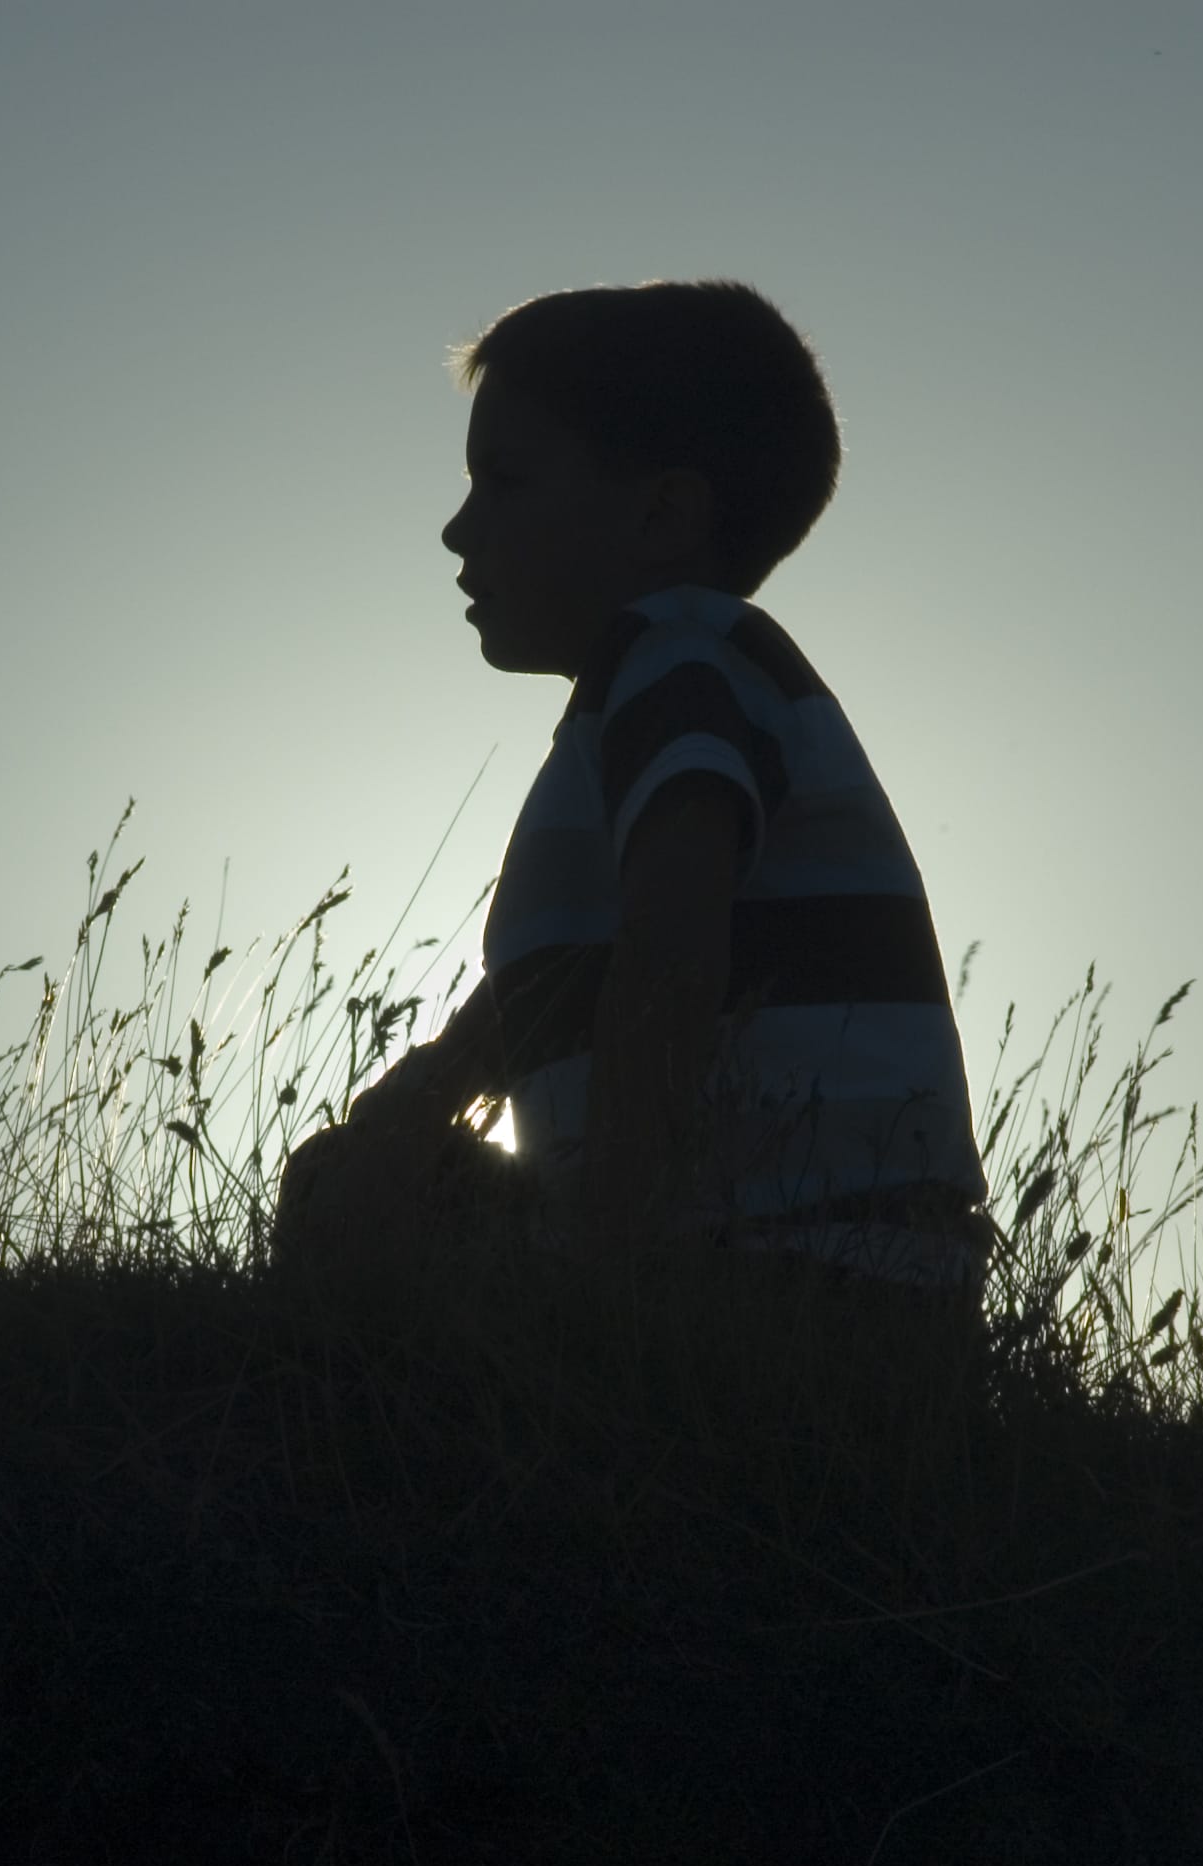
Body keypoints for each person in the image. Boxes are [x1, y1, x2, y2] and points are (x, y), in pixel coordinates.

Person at [275, 279, 989, 1324]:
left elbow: (670, 942)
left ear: (659, 512)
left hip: (785, 1284)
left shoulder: (677, 652)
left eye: (503, 482)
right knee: (367, 1179)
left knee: (338, 1197)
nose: (456, 529)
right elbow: (583, 967)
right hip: (853, 1277)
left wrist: (609, 1255)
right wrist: (437, 1081)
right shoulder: (674, 679)